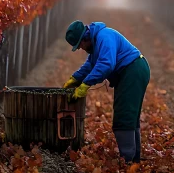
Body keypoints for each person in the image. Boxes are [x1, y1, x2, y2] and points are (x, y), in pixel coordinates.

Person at [62, 20, 150, 163]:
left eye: (80, 45)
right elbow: (91, 64)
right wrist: (75, 78)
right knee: (130, 116)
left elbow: (106, 64)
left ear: (85, 38)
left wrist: (85, 85)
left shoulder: (104, 37)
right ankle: (134, 159)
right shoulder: (96, 41)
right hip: (131, 71)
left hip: (133, 71)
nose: (80, 49)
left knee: (124, 115)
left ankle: (127, 160)